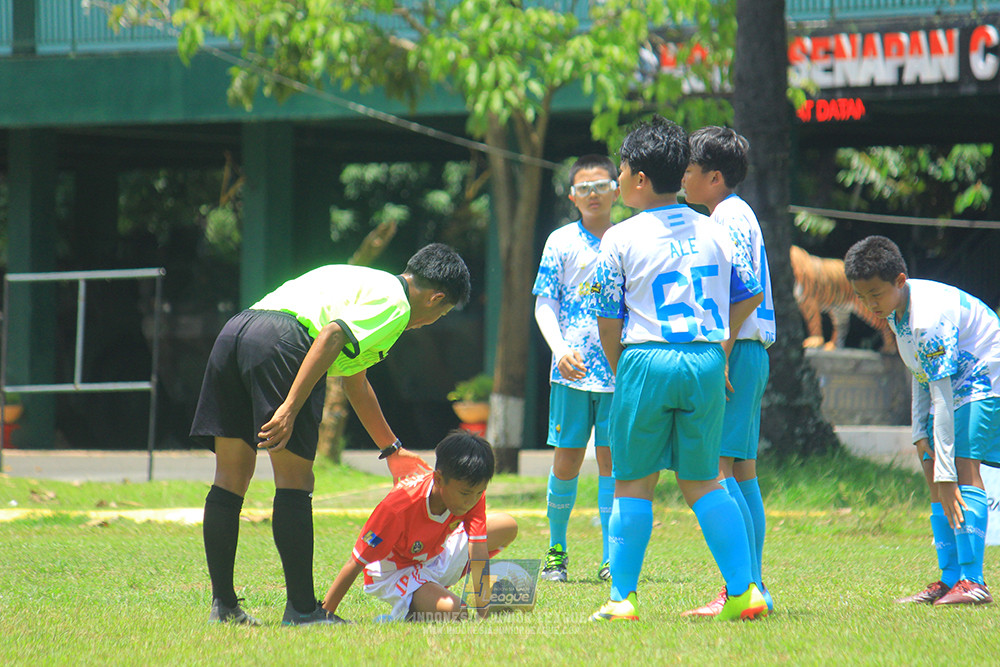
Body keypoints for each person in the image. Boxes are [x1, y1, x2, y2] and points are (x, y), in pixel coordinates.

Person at [191, 243, 471, 625]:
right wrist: (289, 407)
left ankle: (223, 606)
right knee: (295, 480)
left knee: (230, 478)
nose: (432, 320)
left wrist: (392, 450)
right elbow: (332, 336)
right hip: (283, 343)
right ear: (437, 297)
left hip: (237, 333)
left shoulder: (367, 283)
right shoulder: (397, 305)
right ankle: (303, 611)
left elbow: (356, 384)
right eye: (441, 313)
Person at [586, 116, 768, 622]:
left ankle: (623, 598)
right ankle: (744, 591)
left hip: (646, 356)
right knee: (706, 481)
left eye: (621, 171)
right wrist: (720, 339)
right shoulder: (716, 228)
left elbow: (607, 318)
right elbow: (750, 290)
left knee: (632, 482)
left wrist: (622, 366)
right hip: (707, 359)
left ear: (640, 178)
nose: (618, 179)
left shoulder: (619, 238)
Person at [844, 235, 999, 606]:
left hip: (983, 376)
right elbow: (920, 373)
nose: (870, 305)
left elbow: (943, 397)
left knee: (961, 467)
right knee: (931, 465)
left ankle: (973, 581)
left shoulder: (927, 317)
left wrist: (947, 474)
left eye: (875, 295)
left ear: (900, 280)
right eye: (862, 297)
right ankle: (948, 580)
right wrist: (919, 435)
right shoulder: (896, 312)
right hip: (947, 383)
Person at [679, 126, 776, 616]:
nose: (683, 176)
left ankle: (740, 589)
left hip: (736, 350)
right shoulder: (735, 213)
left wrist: (720, 349)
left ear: (714, 177)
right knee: (742, 470)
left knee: (717, 471)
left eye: (690, 169)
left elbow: (748, 290)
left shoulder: (727, 218)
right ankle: (753, 585)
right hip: (750, 348)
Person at [321, 431, 518, 621]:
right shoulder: (397, 509)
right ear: (439, 479)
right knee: (457, 612)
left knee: (507, 525)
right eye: (466, 494)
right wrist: (324, 614)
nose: (471, 501)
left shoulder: (471, 492)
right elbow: (356, 562)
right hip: (397, 571)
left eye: (479, 492)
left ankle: (430, 595)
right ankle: (411, 609)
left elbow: (478, 547)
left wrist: (483, 610)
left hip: (436, 555)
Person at [532, 154, 619, 583]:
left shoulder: (629, 239)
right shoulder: (560, 241)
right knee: (565, 461)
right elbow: (544, 303)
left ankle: (610, 557)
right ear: (572, 196)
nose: (593, 195)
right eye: (584, 188)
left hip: (621, 370)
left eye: (601, 186)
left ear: (617, 189)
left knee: (612, 462)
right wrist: (559, 348)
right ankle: (556, 551)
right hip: (570, 370)